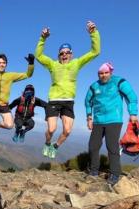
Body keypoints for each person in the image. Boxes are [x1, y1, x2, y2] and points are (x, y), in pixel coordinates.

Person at [35, 21, 100, 158]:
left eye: (67, 52)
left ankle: (55, 146)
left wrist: (93, 33)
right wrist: (43, 39)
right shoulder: (52, 64)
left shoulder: (76, 63)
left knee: (67, 131)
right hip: (54, 100)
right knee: (51, 129)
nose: (64, 55)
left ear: (71, 54)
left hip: (69, 101)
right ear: (58, 55)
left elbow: (95, 52)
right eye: (61, 53)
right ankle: (47, 143)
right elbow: (39, 56)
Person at [85, 62, 138, 185]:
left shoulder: (119, 82)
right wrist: (89, 118)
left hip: (114, 120)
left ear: (111, 72)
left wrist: (133, 113)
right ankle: (94, 171)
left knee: (112, 146)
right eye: (101, 73)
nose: (103, 75)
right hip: (98, 121)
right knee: (93, 145)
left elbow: (131, 96)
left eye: (106, 73)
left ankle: (115, 173)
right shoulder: (94, 86)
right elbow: (88, 102)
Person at [0, 53, 35, 136]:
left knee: (10, 125)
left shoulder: (10, 76)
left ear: (6, 64)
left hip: (4, 105)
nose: (2, 65)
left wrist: (31, 64)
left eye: (4, 63)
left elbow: (28, 74)